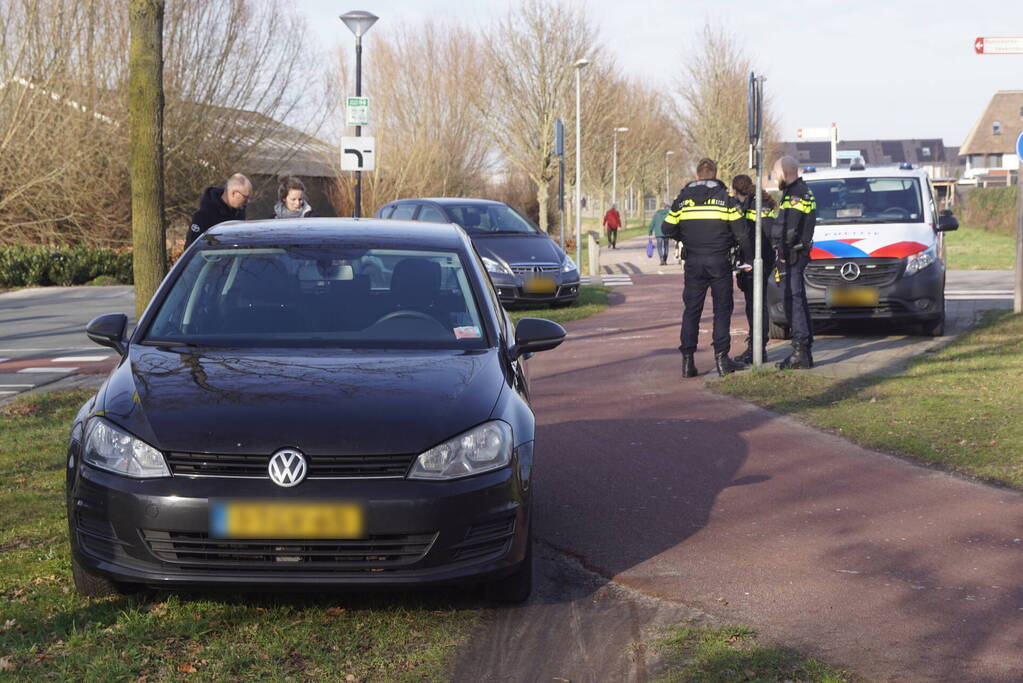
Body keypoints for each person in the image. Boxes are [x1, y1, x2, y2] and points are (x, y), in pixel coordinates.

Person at [662, 158, 752, 378]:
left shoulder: (682, 201)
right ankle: (722, 360)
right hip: (720, 262)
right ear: (715, 174)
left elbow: (666, 228)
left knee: (692, 311)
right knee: (722, 309)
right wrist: (748, 257)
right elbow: (741, 233)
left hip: (693, 262)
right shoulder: (726, 200)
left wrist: (683, 236)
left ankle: (687, 362)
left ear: (697, 176)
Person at [771, 155, 816, 369]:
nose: (774, 177)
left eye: (775, 173)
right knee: (799, 299)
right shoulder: (802, 190)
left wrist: (781, 250)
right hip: (799, 253)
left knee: (793, 300)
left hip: (792, 255)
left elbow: (790, 228)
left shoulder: (795, 194)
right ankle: (804, 350)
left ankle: (800, 350)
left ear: (783, 172)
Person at [730, 174, 777, 364]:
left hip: (753, 261)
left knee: (754, 306)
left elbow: (747, 234)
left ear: (735, 190)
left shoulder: (748, 204)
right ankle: (758, 347)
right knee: (759, 304)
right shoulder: (762, 201)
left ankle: (756, 350)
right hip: (764, 259)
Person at [185, 173, 251, 247]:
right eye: (246, 197)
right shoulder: (203, 216)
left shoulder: (239, 213)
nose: (248, 201)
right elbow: (192, 248)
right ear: (233, 193)